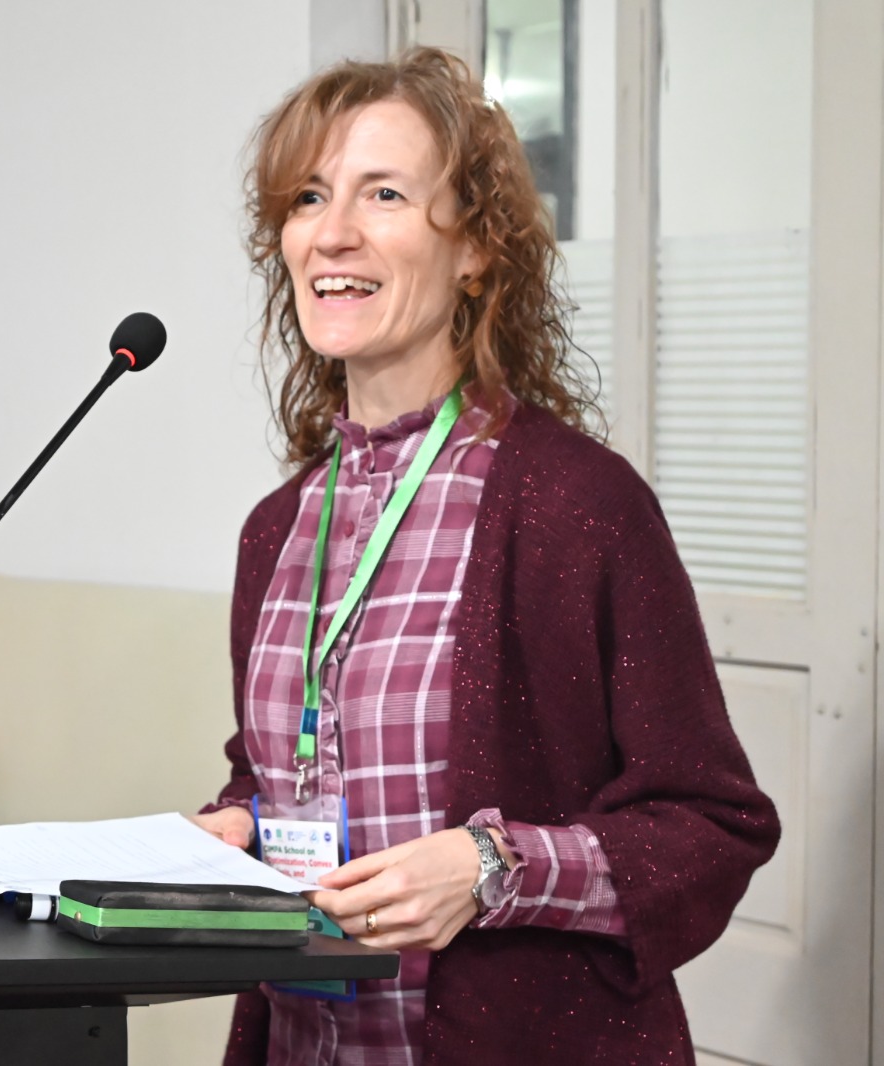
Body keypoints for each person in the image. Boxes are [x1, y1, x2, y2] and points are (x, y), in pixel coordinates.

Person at [189, 47, 779, 1066]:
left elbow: (711, 823)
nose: (332, 232)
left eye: (383, 193)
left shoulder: (574, 503)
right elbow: (282, 769)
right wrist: (235, 823)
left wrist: (490, 867)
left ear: (473, 247)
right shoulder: (275, 527)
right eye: (308, 197)